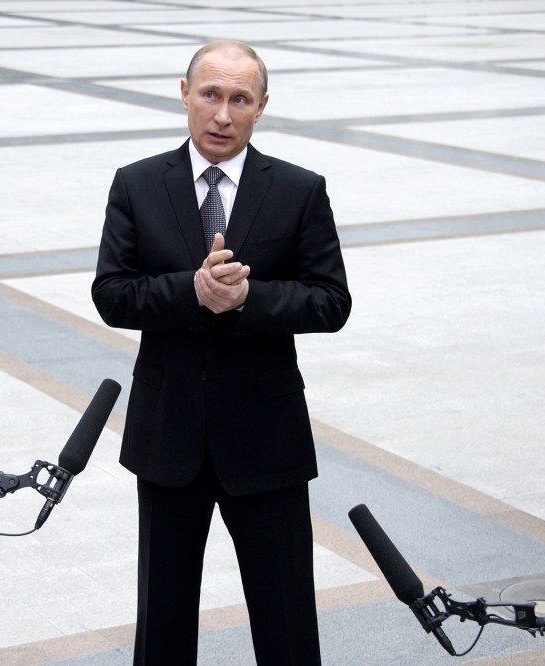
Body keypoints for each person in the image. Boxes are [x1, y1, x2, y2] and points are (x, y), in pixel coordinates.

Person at [92, 40, 351, 665]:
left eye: (240, 99)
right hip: (168, 434)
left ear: (262, 106)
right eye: (210, 95)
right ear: (184, 94)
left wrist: (246, 301)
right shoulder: (136, 184)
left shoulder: (298, 189)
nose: (223, 114)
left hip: (266, 438)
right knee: (163, 624)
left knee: (286, 620)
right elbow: (112, 293)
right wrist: (193, 292)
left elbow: (330, 302)